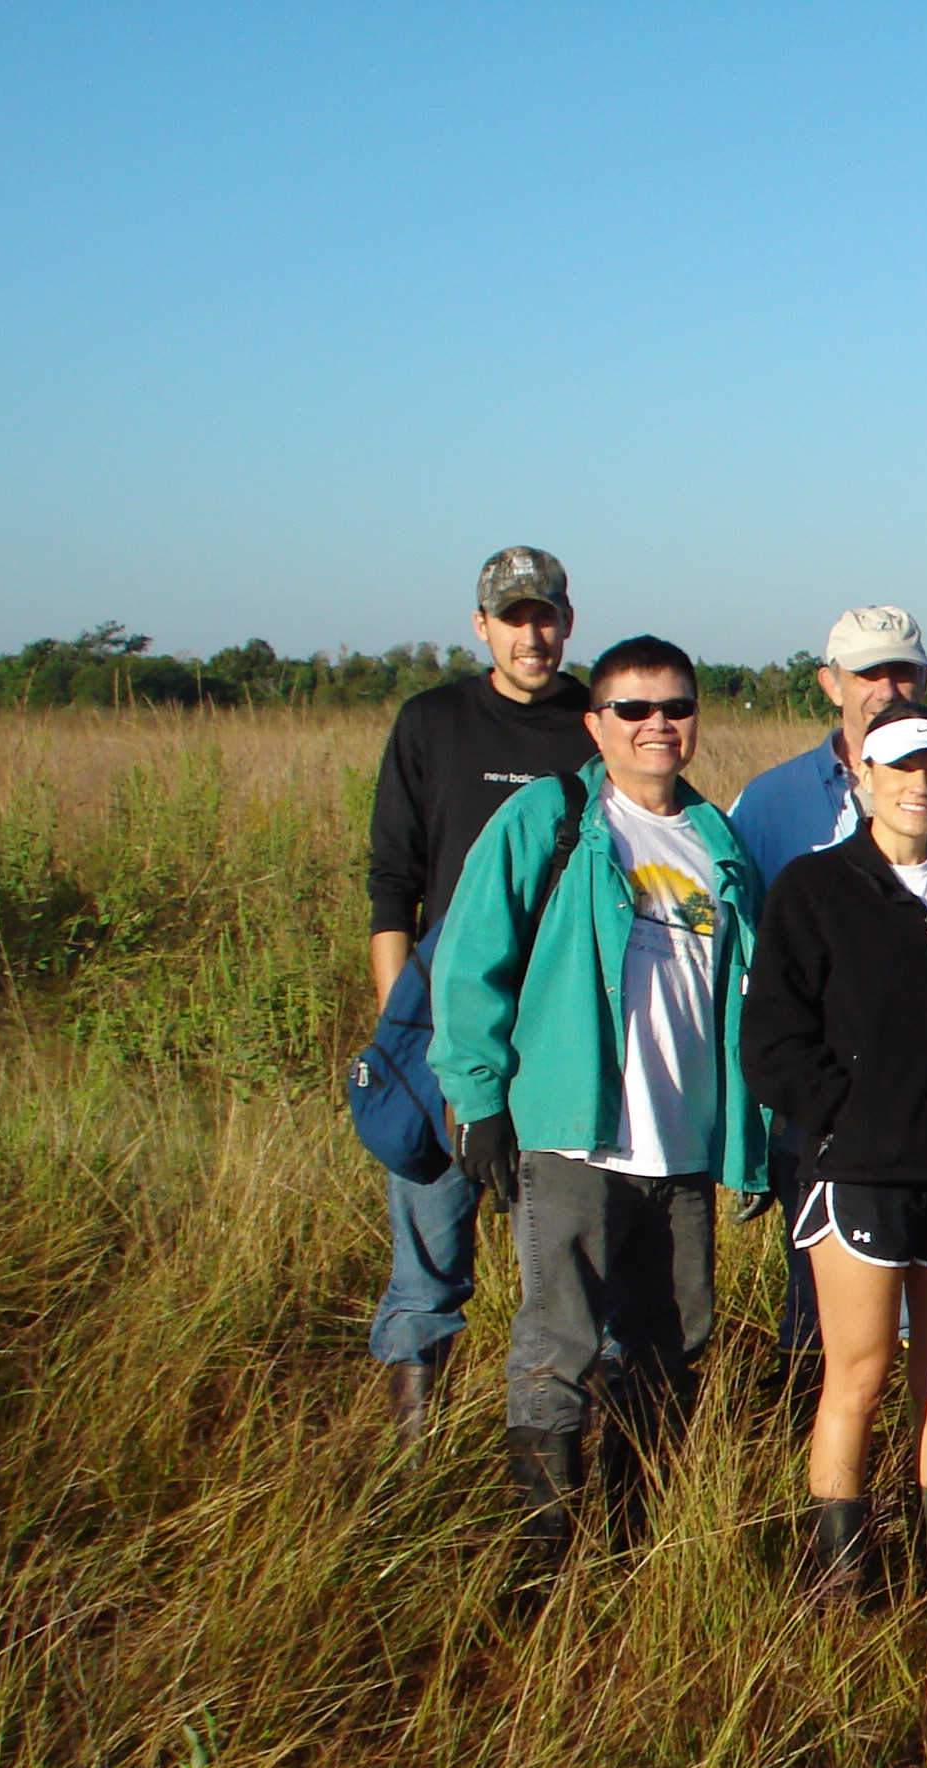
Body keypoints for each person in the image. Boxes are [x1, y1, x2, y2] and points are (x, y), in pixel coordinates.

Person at [431, 637, 767, 1574]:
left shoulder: (717, 840)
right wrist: (479, 1099)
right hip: (572, 1131)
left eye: (676, 707)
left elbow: (746, 994)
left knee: (676, 1340)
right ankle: (543, 1549)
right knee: (559, 1339)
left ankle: (632, 1537)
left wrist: (753, 1139)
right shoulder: (553, 819)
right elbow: (471, 961)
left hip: (683, 1141)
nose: (657, 724)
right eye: (633, 709)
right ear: (596, 724)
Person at [742, 703, 927, 1607]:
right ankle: (841, 1583)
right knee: (858, 1376)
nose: (920, 786)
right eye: (900, 769)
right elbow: (773, 1042)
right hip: (861, 1173)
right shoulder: (814, 888)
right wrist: (846, 1117)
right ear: (863, 778)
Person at [725, 607, 927, 1360]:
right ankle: (821, 1468)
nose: (887, 686)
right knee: (834, 1343)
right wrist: (836, 1106)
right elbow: (753, 976)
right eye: (869, 672)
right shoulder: (769, 804)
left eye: (905, 671)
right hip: (835, 1134)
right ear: (831, 682)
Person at [360, 546, 594, 1449]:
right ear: (481, 626)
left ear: (569, 623)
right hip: (442, 1023)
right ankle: (413, 1461)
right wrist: (406, 1038)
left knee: (565, 1264)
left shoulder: (600, 723)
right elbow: (393, 884)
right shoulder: (433, 722)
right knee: (428, 1256)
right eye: (513, 617)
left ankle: (553, 1450)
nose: (531, 634)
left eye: (546, 616)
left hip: (565, 1027)